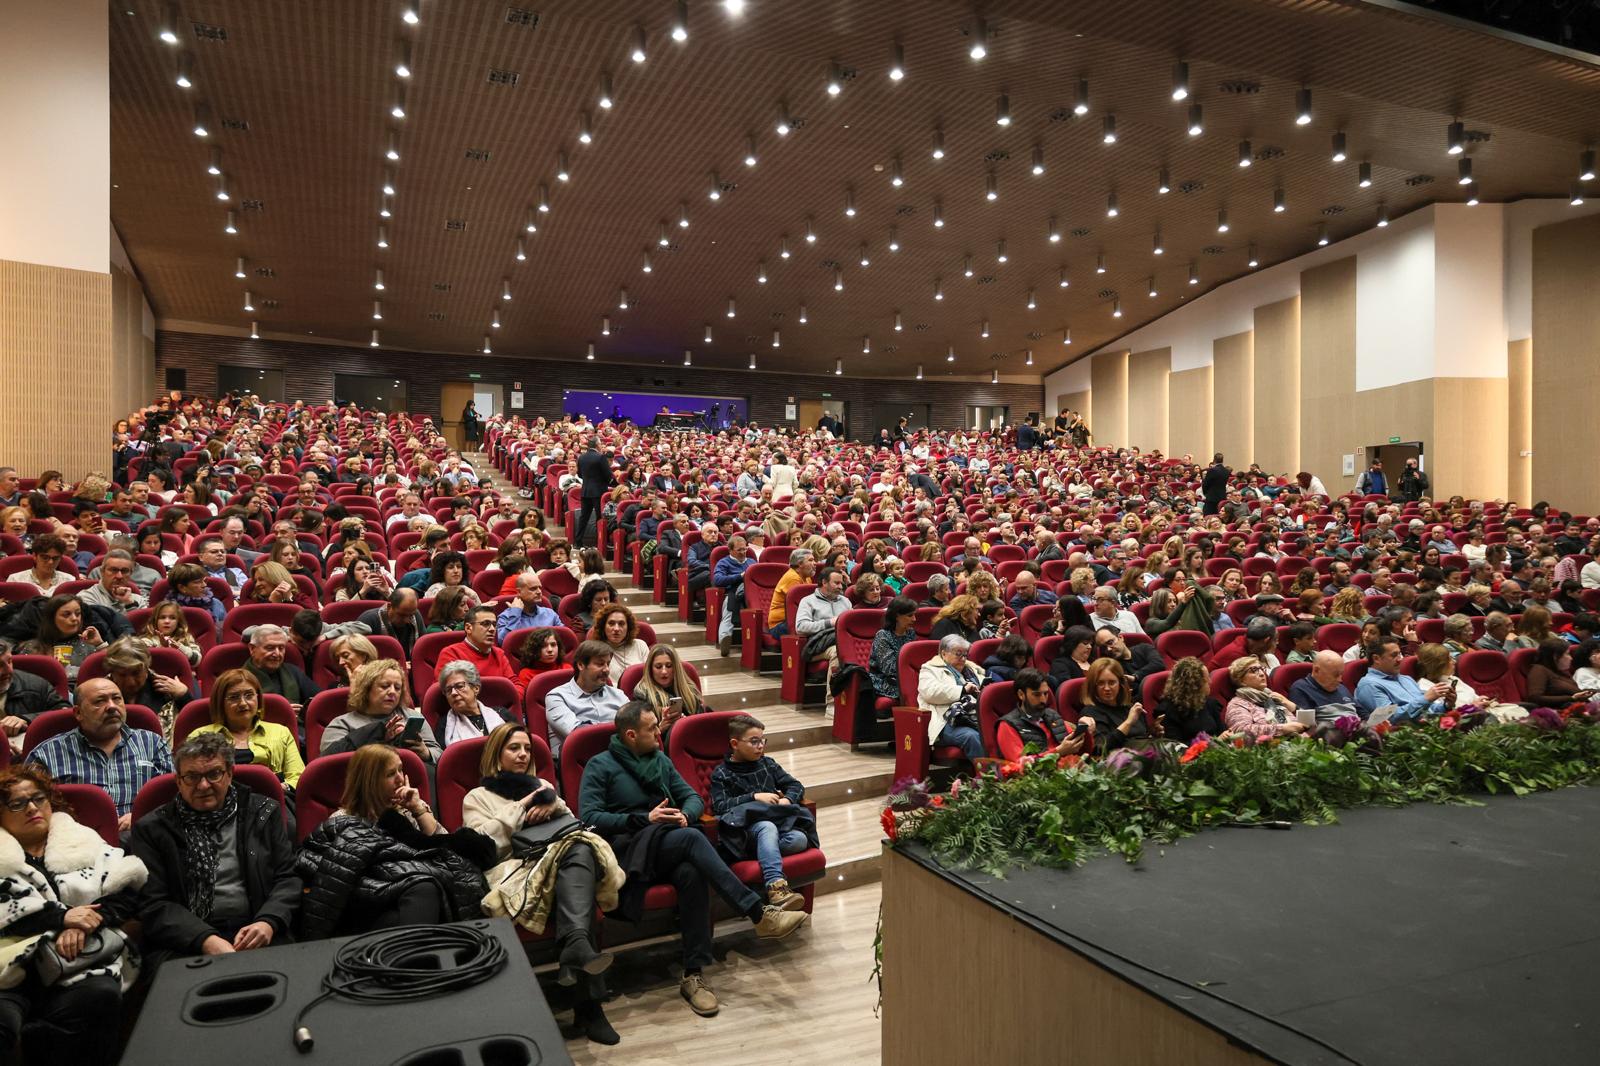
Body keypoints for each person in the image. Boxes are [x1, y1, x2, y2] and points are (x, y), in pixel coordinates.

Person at [579, 700, 808, 1019]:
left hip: (669, 841)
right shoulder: (600, 765)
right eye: (650, 728)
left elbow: (691, 797)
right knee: (690, 841)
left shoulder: (659, 759)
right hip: (628, 848)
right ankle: (758, 912)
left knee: (691, 870)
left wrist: (686, 814)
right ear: (630, 735)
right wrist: (645, 817)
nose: (658, 733)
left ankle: (693, 974)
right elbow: (589, 816)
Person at [465, 724, 622, 1045]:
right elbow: (482, 846)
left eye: (527, 748)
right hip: (513, 869)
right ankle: (588, 1005)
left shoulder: (544, 786)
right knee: (578, 872)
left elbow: (571, 825)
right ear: (496, 755)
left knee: (578, 849)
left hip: (557, 864)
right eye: (513, 748)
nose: (523, 754)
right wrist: (520, 807)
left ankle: (576, 951)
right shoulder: (477, 797)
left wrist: (556, 805)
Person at [0, 765, 145, 1066]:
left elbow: (127, 889)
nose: (31, 807)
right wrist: (62, 918)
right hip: (12, 972)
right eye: (17, 803)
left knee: (101, 994)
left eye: (38, 798)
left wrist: (86, 924)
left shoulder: (82, 841)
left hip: (77, 961)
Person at [127, 732, 300, 973]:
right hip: (184, 942)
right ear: (178, 781)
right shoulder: (151, 829)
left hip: (257, 929)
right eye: (192, 777)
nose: (203, 785)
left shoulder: (262, 812)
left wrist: (268, 921)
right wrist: (205, 939)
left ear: (229, 774)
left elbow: (287, 878)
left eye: (213, 774)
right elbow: (154, 903)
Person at [295, 745, 494, 938]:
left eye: (401, 770)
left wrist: (418, 809)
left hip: (409, 895)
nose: (401, 779)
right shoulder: (343, 820)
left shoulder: (408, 811)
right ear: (369, 781)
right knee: (425, 896)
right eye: (391, 774)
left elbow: (442, 851)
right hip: (371, 902)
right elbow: (343, 875)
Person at [25, 677, 173, 828]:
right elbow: (28, 807)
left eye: (117, 699)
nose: (111, 706)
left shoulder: (151, 743)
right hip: (77, 839)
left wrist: (141, 815)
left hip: (142, 833)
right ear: (78, 713)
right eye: (99, 701)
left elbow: (170, 796)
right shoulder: (46, 754)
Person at [708, 713, 817, 911]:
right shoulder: (722, 773)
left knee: (799, 839)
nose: (760, 746)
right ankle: (776, 888)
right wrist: (754, 797)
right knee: (766, 827)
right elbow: (720, 807)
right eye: (754, 741)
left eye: (762, 741)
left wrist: (787, 799)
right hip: (744, 833)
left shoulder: (768, 764)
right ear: (735, 743)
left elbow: (795, 785)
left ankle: (767, 852)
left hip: (776, 827)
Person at [188, 668, 303, 790]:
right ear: (220, 703)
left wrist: (280, 788)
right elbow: (190, 780)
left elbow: (298, 777)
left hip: (273, 799)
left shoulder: (280, 732)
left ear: (258, 698)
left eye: (249, 695)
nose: (243, 703)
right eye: (234, 697)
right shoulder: (199, 736)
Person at [321, 658, 440, 762]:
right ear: (366, 689)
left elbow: (439, 755)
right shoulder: (341, 724)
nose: (392, 692)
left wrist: (426, 753)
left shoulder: (412, 716)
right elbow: (329, 764)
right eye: (384, 686)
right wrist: (376, 735)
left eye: (397, 688)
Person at [544, 641, 627, 758]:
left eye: (608, 664)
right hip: (580, 761)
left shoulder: (618, 695)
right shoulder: (557, 697)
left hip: (620, 756)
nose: (607, 670)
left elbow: (635, 725)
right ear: (581, 665)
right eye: (600, 664)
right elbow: (579, 734)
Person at [101, 638, 191, 741]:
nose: (131, 682)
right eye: (122, 675)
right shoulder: (99, 692)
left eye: (136, 673)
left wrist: (184, 695)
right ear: (112, 672)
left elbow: (193, 725)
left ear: (147, 668)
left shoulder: (168, 690)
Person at [916, 635, 987, 761]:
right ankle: (989, 777)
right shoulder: (930, 669)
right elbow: (930, 692)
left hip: (975, 717)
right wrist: (962, 690)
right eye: (958, 654)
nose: (963, 659)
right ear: (943, 653)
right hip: (947, 720)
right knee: (972, 737)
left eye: (965, 655)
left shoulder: (972, 669)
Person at [996, 667, 1090, 761]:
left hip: (1069, 771)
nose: (1043, 700)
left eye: (1045, 694)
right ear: (1021, 694)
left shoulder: (1052, 715)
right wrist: (1058, 752)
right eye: (1037, 695)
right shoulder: (1007, 725)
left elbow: (1079, 749)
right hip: (1037, 775)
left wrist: (1087, 732)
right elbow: (1020, 766)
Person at [1352, 637, 1453, 723]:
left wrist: (1446, 705)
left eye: (1399, 654)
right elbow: (1389, 718)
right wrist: (1425, 699)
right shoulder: (1369, 685)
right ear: (1376, 659)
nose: (1400, 659)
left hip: (1429, 727)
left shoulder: (1406, 679)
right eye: (1394, 655)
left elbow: (1428, 710)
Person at [18, 595, 108, 686]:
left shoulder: (90, 643)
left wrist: (100, 644)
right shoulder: (32, 648)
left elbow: (110, 673)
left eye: (78, 614)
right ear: (51, 618)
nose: (74, 618)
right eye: (66, 614)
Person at [0, 638, 70, 754]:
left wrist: (26, 719)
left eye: (10, 661)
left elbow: (65, 712)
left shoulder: (36, 685)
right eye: (0, 665)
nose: (9, 670)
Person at [1080, 657, 1156, 754]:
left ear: (1120, 684)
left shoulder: (1130, 707)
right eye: (1100, 683)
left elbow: (1141, 738)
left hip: (1145, 756)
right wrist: (1128, 723)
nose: (1107, 688)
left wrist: (1153, 732)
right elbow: (1100, 748)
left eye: (1112, 682)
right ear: (1093, 686)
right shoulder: (1090, 713)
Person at [1224, 656, 1310, 738]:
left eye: (1262, 669)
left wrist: (1294, 707)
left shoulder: (1273, 697)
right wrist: (1282, 729)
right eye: (1254, 670)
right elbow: (1241, 732)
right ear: (1241, 680)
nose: (1262, 674)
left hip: (1298, 746)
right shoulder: (1237, 704)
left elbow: (1306, 724)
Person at [243, 624, 319, 713]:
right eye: (270, 648)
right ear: (252, 649)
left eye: (281, 648)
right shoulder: (240, 679)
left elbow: (319, 700)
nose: (277, 653)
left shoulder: (293, 671)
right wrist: (281, 712)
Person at [633, 644, 706, 733]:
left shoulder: (690, 690)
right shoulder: (642, 693)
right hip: (663, 742)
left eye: (669, 666)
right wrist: (660, 729)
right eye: (658, 667)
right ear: (650, 669)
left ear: (676, 668)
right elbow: (642, 737)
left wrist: (685, 723)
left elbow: (702, 724)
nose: (664, 671)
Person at [1154, 656, 1227, 742]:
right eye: (1206, 680)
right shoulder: (1168, 710)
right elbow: (1176, 748)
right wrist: (1215, 743)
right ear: (1194, 685)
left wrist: (1227, 735)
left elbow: (1221, 732)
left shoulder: (1210, 704)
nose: (1210, 682)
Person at [435, 660, 507, 747]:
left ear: (476, 688)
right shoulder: (445, 725)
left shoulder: (501, 714)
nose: (453, 693)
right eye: (448, 690)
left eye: (460, 686)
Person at [436, 605, 516, 681]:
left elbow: (515, 683)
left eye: (494, 625)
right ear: (468, 628)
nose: (492, 629)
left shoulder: (499, 654)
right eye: (485, 624)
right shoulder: (451, 653)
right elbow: (448, 690)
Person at [794, 566, 848, 677]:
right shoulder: (808, 601)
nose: (840, 586)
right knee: (838, 652)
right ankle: (832, 695)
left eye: (841, 583)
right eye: (836, 583)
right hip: (817, 646)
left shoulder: (845, 601)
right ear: (824, 582)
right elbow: (800, 627)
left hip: (841, 640)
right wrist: (829, 623)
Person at [868, 596, 919, 702]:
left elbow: (915, 661)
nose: (914, 619)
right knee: (915, 691)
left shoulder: (910, 633)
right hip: (885, 680)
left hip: (907, 678)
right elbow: (890, 669)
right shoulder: (883, 636)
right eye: (910, 615)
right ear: (897, 616)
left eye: (914, 615)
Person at [496, 572, 561, 644]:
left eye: (540, 587)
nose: (539, 592)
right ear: (519, 591)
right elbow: (502, 642)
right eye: (533, 589)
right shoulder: (506, 616)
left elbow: (564, 637)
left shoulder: (550, 614)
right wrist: (515, 614)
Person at [1524, 638, 1593, 707]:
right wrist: (1572, 698)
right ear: (1555, 656)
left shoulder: (1561, 672)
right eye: (1567, 654)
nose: (1571, 658)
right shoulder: (1539, 670)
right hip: (1558, 713)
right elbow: (1535, 698)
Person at [767, 549, 817, 638]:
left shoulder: (807, 577)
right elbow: (801, 606)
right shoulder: (793, 578)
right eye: (810, 560)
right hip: (780, 625)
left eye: (814, 560)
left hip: (795, 620)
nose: (815, 563)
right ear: (800, 564)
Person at [358, 588, 421, 658]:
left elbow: (422, 648)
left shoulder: (415, 615)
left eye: (410, 615)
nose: (407, 620)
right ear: (389, 606)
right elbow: (360, 656)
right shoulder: (369, 620)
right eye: (401, 615)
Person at [574, 438, 613, 547]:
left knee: (584, 517)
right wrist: (605, 482)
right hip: (599, 491)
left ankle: (578, 542)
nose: (601, 445)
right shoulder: (600, 457)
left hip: (585, 490)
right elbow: (608, 474)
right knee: (600, 517)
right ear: (597, 445)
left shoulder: (581, 457)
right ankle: (599, 543)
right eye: (600, 444)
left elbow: (580, 474)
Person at [1289, 650, 1356, 711]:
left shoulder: (1341, 687)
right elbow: (1307, 722)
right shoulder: (1301, 689)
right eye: (1335, 675)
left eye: (1341, 674)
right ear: (1317, 670)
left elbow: (1363, 716)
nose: (1340, 680)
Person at [512, 627, 568, 698]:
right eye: (543, 646)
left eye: (553, 645)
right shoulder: (526, 675)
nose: (550, 650)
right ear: (534, 650)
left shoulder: (567, 669)